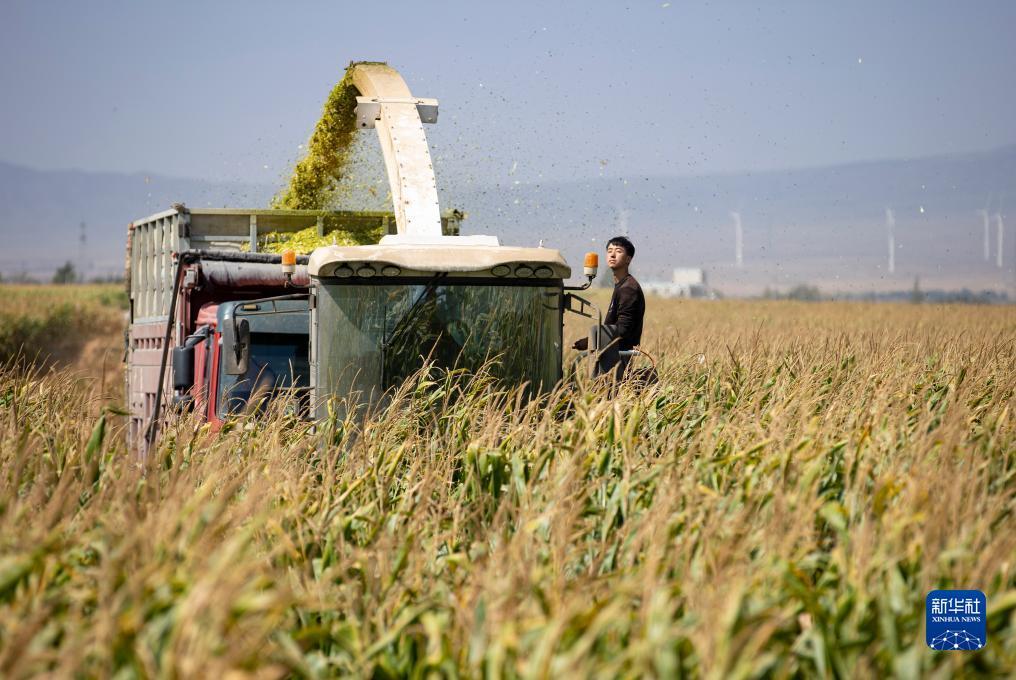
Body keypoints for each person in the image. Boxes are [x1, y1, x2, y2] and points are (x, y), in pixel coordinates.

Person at [573, 236, 646, 378]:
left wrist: (590, 341)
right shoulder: (621, 285)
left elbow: (623, 329)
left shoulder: (628, 288)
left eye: (618, 251)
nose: (612, 254)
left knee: (609, 395)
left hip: (617, 358)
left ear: (628, 259)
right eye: (609, 251)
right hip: (611, 353)